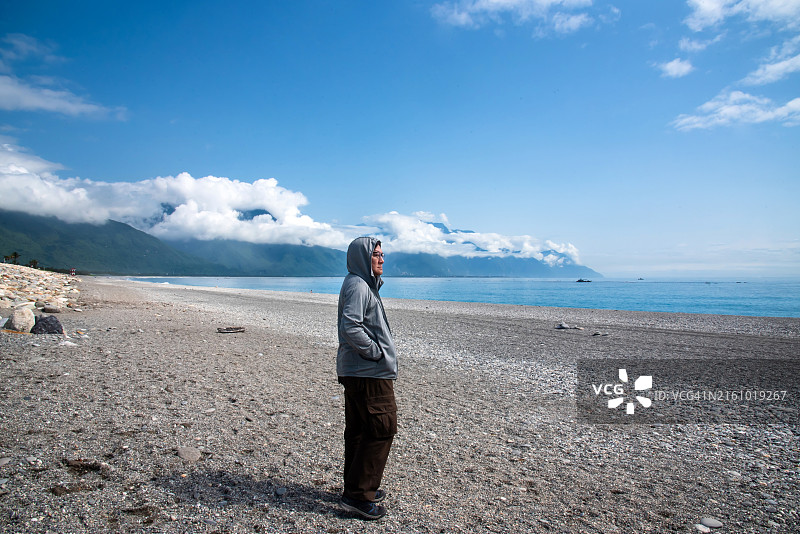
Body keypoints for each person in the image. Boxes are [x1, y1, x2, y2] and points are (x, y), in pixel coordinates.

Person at [336, 237, 398, 520]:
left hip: (359, 371)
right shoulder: (359, 285)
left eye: (382, 254)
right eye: (375, 255)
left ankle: (356, 487)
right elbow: (351, 325)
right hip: (368, 372)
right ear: (362, 258)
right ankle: (359, 496)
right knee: (382, 427)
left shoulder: (360, 283)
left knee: (360, 429)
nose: (381, 259)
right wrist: (376, 353)